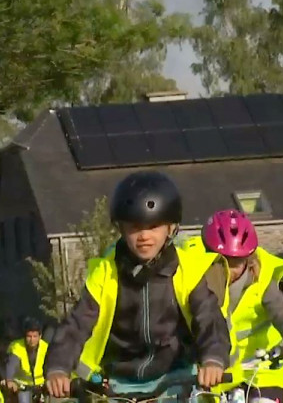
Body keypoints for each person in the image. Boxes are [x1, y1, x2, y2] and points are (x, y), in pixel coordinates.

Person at [44, 171, 232, 399]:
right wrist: (58, 368)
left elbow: (209, 319)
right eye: (134, 227)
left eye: (153, 226)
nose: (144, 235)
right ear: (121, 229)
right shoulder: (105, 273)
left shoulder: (187, 270)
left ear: (171, 228)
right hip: (118, 384)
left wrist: (213, 359)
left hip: (176, 378)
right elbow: (75, 326)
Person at [185, 209, 283, 402]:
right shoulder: (195, 277)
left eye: (237, 262)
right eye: (223, 261)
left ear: (248, 258)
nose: (230, 269)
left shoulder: (261, 277)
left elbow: (282, 310)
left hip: (262, 370)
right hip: (218, 372)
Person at [2, 317, 48, 402]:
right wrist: (9, 380)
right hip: (23, 386)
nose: (32, 340)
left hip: (41, 386)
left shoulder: (45, 347)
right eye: (29, 336)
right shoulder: (17, 346)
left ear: (40, 336)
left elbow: (50, 365)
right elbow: (11, 365)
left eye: (35, 336)